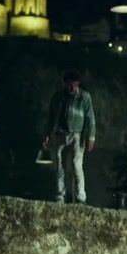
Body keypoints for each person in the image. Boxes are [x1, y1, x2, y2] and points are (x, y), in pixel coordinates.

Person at [42, 70, 96, 203]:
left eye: (74, 85)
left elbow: (90, 118)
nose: (72, 88)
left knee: (76, 165)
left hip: (77, 134)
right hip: (60, 134)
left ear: (78, 84)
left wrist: (91, 137)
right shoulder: (58, 97)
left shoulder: (84, 97)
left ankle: (80, 196)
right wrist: (47, 135)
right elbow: (51, 117)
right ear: (65, 84)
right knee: (59, 166)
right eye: (69, 85)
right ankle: (60, 195)